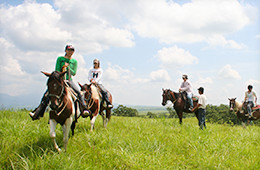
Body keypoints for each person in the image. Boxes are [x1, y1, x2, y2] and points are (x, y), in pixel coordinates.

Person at [29, 45, 90, 120]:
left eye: (72, 50)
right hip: (59, 80)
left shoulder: (74, 61)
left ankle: (84, 109)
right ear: (65, 51)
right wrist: (62, 68)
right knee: (47, 94)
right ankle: (38, 112)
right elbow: (57, 70)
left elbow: (74, 73)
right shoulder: (60, 59)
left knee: (78, 92)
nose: (70, 52)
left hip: (69, 80)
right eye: (69, 50)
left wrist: (68, 67)